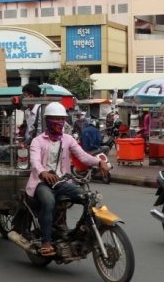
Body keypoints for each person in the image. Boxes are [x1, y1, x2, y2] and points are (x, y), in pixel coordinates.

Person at [27, 102, 109, 257]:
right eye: (55, 119)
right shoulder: (37, 141)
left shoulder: (68, 139)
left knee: (88, 197)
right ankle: (46, 241)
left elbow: (82, 156)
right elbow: (35, 161)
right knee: (49, 202)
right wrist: (43, 172)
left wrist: (99, 162)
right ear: (48, 120)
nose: (59, 122)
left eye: (61, 119)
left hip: (62, 182)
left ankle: (82, 230)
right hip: (41, 183)